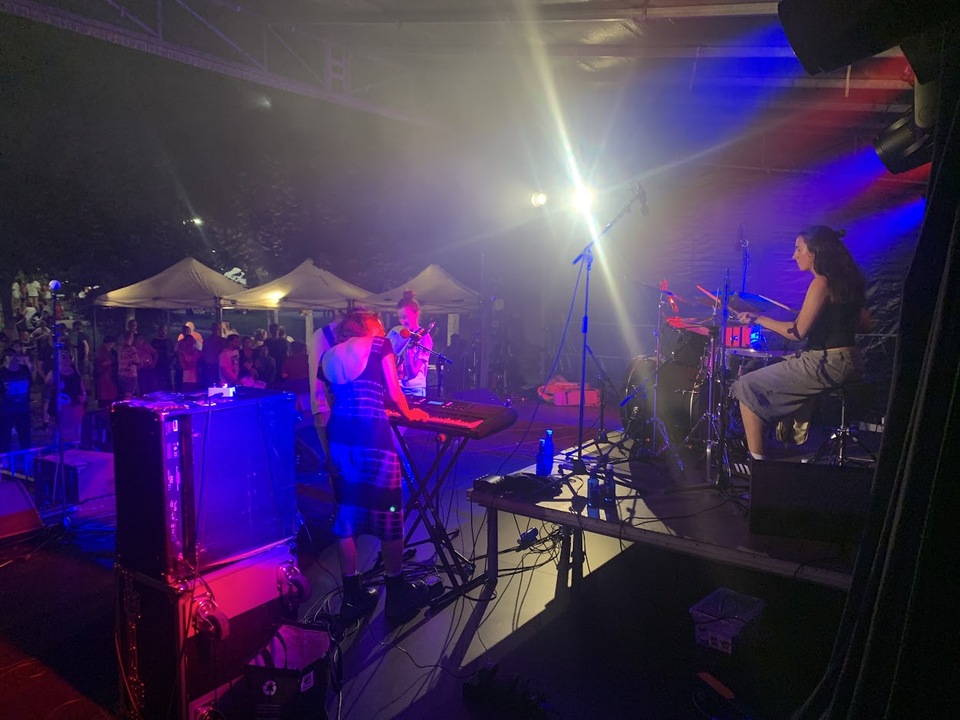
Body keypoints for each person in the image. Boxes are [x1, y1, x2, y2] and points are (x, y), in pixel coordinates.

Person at [318, 309, 432, 624]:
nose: (382, 331)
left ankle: (352, 595)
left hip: (340, 439)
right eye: (379, 325)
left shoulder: (327, 356)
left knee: (346, 514)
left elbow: (332, 402)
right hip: (372, 437)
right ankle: (397, 592)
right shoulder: (380, 345)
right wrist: (411, 415)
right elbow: (394, 393)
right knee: (389, 511)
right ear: (368, 326)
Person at [731, 226, 871, 461]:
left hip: (827, 363)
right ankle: (785, 439)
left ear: (814, 252)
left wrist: (758, 318)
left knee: (746, 386)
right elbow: (867, 325)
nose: (794, 255)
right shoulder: (849, 281)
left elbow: (797, 333)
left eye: (798, 249)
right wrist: (828, 318)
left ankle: (758, 465)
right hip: (851, 361)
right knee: (766, 368)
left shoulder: (821, 283)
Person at [386, 291, 433, 398]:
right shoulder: (397, 333)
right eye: (400, 317)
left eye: (405, 316)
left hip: (413, 389)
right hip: (395, 387)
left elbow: (413, 373)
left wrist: (408, 357)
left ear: (416, 314)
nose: (403, 321)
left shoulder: (424, 338)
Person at [0, 347, 33, 452]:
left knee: (25, 435)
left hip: (23, 409)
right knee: (5, 436)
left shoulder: (24, 370)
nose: (13, 358)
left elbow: (30, 383)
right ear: (5, 358)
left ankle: (26, 456)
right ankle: (5, 458)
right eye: (9, 356)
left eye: (14, 355)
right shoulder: (2, 373)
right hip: (6, 411)